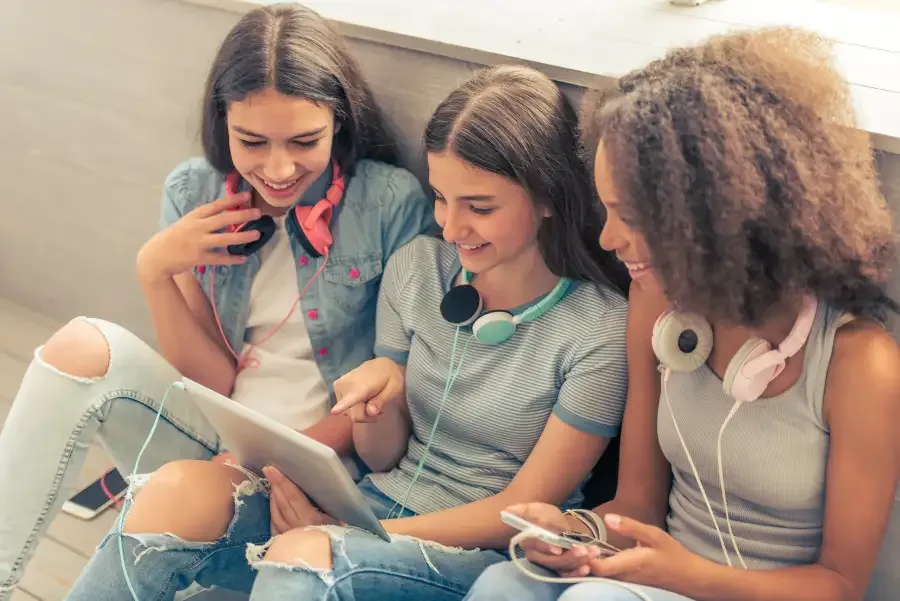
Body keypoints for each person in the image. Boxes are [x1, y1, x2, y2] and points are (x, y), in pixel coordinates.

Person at [61, 64, 632, 601]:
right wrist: (377, 405)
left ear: (548, 198)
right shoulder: (418, 268)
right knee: (176, 491)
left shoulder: (599, 329)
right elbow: (382, 458)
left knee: (304, 553)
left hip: (471, 554)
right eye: (440, 197)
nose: (450, 226)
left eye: (479, 207)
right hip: (364, 507)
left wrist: (350, 532)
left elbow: (522, 506)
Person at [0, 4, 435, 599]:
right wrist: (156, 268)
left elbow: (392, 385)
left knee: (192, 488)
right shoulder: (193, 190)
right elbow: (211, 379)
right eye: (251, 141)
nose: (278, 169)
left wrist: (263, 460)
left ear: (339, 119)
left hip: (317, 468)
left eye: (305, 140)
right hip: (212, 434)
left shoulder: (390, 203)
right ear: (221, 121)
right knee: (79, 344)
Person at [466, 26, 900, 601]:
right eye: (605, 208)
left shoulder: (861, 363)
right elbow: (638, 505)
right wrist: (577, 532)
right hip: (651, 584)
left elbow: (840, 586)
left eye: (631, 215)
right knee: (506, 582)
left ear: (720, 213)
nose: (608, 237)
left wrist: (684, 576)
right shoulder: (658, 307)